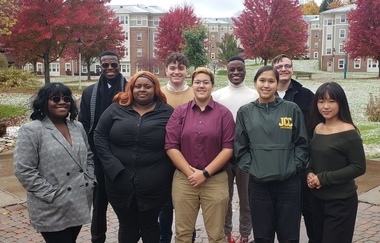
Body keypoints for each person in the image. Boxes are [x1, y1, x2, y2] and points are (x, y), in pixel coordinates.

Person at [94, 71, 174, 242]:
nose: (142, 90)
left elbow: (176, 142)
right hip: (119, 181)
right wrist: (111, 164)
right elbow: (99, 135)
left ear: (155, 89)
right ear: (131, 88)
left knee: (150, 226)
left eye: (147, 86)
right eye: (138, 86)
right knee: (127, 226)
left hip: (155, 184)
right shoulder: (116, 109)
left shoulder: (167, 112)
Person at [235, 65, 309, 243]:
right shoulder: (245, 112)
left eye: (271, 81)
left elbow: (302, 144)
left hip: (288, 184)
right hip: (259, 185)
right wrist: (252, 167)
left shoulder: (291, 109)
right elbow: (240, 146)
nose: (266, 85)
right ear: (255, 83)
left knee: (289, 236)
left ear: (277, 84)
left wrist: (293, 166)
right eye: (262, 80)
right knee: (262, 236)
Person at [14, 83, 96, 243]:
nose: (62, 102)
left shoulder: (77, 127)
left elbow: (89, 156)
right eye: (55, 98)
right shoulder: (31, 130)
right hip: (51, 206)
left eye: (66, 98)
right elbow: (23, 170)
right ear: (44, 102)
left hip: (78, 201)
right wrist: (52, 194)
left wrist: (90, 180)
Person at [165, 67, 235, 243]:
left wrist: (204, 174)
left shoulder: (223, 114)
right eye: (197, 82)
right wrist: (191, 174)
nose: (201, 85)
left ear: (212, 85)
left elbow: (228, 148)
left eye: (206, 82)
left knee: (217, 235)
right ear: (192, 85)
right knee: (182, 234)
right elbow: (171, 146)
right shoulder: (180, 112)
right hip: (184, 180)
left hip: (215, 180)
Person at [306, 82, 366, 243]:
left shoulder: (349, 132)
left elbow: (358, 167)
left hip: (341, 202)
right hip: (317, 199)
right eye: (321, 101)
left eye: (331, 101)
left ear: (341, 103)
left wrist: (323, 178)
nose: (326, 106)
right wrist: (310, 173)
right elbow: (314, 159)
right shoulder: (318, 128)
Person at [79, 51, 127, 243]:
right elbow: (83, 122)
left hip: (123, 153)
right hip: (97, 154)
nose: (109, 69)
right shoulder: (90, 92)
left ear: (119, 65)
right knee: (99, 202)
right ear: (100, 66)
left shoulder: (130, 88)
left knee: (126, 202)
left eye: (113, 65)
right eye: (105, 65)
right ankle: (97, 238)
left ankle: (127, 236)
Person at [212, 56, 258, 243]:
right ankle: (227, 232)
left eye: (240, 69)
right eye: (232, 69)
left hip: (247, 156)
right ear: (227, 70)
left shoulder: (254, 95)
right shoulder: (217, 95)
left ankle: (245, 234)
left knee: (246, 199)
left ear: (245, 70)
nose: (236, 72)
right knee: (225, 198)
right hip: (223, 155)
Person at [272, 54, 315, 243]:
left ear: (292, 68)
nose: (283, 69)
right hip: (272, 164)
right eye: (279, 66)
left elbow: (314, 127)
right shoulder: (264, 93)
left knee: (303, 212)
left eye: (287, 65)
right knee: (275, 215)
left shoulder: (305, 95)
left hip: (300, 165)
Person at [159, 52, 195, 243]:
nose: (176, 71)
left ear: (186, 71)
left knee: (188, 206)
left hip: (190, 158)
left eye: (180, 68)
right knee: (165, 206)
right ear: (166, 70)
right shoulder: (159, 94)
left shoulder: (194, 93)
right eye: (172, 68)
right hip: (163, 159)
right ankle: (164, 238)